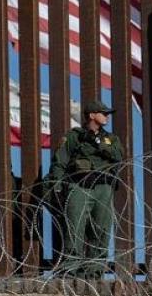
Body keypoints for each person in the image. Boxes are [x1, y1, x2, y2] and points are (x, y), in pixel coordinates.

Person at [45, 100, 124, 279]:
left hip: (103, 186)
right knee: (74, 227)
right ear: (91, 115)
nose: (107, 116)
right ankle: (70, 268)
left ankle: (94, 270)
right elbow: (60, 161)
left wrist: (97, 142)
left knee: (101, 230)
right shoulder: (75, 136)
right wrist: (57, 186)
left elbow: (118, 155)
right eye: (103, 113)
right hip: (79, 186)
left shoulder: (111, 139)